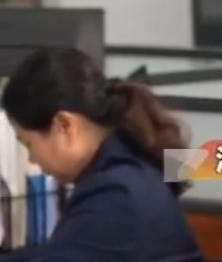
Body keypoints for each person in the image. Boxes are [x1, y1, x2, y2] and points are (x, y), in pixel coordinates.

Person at [0, 47, 204, 261]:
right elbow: (56, 251)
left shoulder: (117, 196)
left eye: (29, 144)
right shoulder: (125, 168)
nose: (32, 159)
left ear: (65, 125)